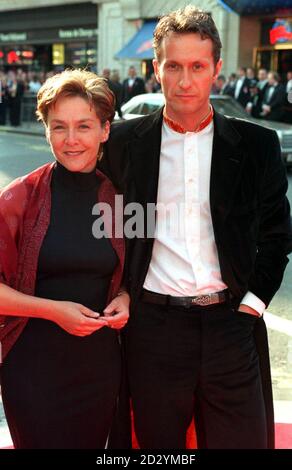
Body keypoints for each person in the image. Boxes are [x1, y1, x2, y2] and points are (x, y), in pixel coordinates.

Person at [100, 6, 292, 449]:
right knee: (157, 449)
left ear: (216, 70)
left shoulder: (257, 146)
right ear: (156, 69)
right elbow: (105, 225)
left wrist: (253, 303)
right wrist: (123, 292)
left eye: (197, 67)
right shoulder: (124, 144)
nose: (185, 81)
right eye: (174, 66)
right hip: (153, 329)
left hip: (230, 324)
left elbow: (277, 237)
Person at [0, 69, 130, 449]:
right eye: (59, 127)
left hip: (99, 369)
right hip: (33, 368)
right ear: (46, 131)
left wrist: (126, 297)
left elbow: (132, 273)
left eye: (84, 126)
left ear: (105, 130)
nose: (71, 140)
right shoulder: (18, 199)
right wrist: (53, 310)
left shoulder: (121, 200)